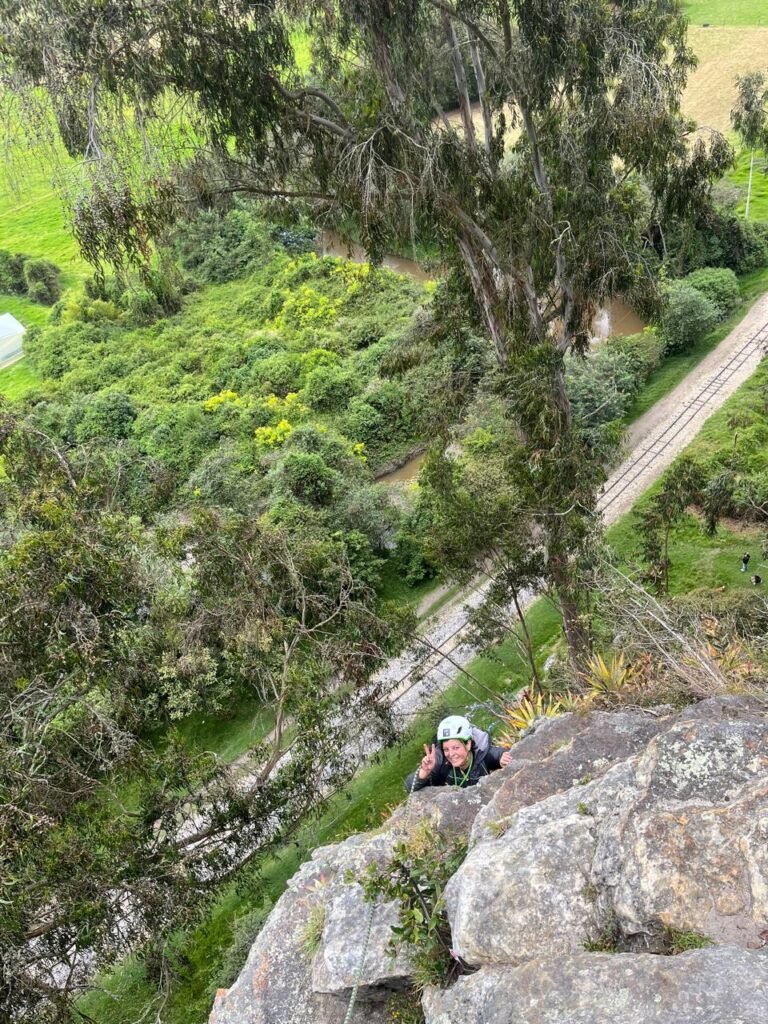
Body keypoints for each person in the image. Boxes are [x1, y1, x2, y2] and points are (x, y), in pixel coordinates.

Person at [404, 715, 513, 792]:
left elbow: (498, 754)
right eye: (446, 749)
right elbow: (409, 787)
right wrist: (424, 772)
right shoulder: (442, 762)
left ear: (468, 744)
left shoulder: (481, 754)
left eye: (456, 747)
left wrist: (502, 757)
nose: (451, 754)